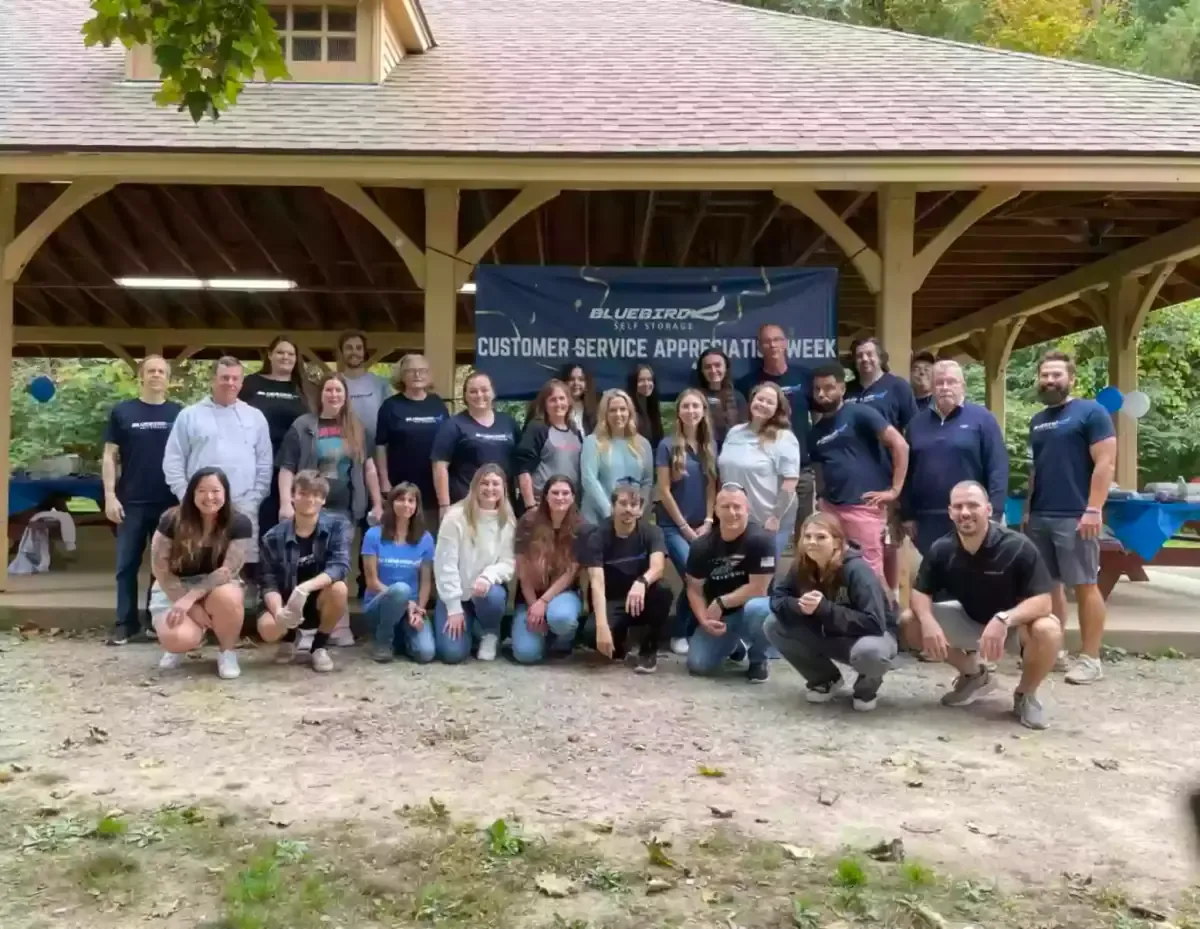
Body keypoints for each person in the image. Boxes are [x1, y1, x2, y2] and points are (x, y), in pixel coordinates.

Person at [902, 481, 1063, 730]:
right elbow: (920, 593)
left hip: (1012, 626)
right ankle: (975, 675)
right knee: (909, 621)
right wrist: (928, 621)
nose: (965, 512)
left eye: (972, 505)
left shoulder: (1017, 546)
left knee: (1048, 630)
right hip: (969, 618)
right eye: (958, 506)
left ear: (988, 509)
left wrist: (1004, 619)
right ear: (950, 512)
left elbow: (1044, 601)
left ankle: (1025, 695)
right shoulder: (942, 548)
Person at [1023, 350, 1116, 685]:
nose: (1049, 381)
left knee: (1086, 584)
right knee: (1048, 588)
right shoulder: (1037, 420)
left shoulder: (1092, 412)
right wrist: (1028, 510)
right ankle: (1054, 651)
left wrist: (1093, 508)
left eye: (1056, 375)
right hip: (1041, 515)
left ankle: (1091, 659)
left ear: (1071, 379)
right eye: (1045, 375)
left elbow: (1105, 463)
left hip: (1077, 515)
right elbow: (1036, 469)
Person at [766, 512, 897, 711]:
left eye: (821, 537)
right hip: (830, 631)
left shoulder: (856, 569)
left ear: (837, 542)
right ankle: (825, 679)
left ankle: (866, 688)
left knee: (871, 653)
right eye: (807, 537)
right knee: (773, 624)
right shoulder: (802, 566)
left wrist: (825, 609)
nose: (812, 542)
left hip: (870, 636)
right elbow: (777, 598)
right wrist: (799, 605)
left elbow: (875, 623)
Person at [103, 354, 183, 646]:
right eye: (151, 370)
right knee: (126, 565)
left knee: (162, 564)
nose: (156, 375)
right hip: (131, 502)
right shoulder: (123, 412)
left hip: (169, 503)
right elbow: (109, 456)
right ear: (142, 376)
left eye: (161, 371)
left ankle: (154, 620)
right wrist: (110, 495)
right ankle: (125, 624)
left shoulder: (179, 414)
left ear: (168, 378)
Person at [163, 356, 273, 566]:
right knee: (200, 563)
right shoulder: (190, 416)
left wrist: (255, 498)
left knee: (243, 567)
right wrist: (186, 497)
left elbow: (264, 462)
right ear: (213, 380)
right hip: (201, 507)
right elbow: (173, 459)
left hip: (243, 506)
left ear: (241, 383)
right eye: (224, 377)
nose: (230, 383)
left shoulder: (255, 417)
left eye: (235, 378)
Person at [807, 361, 909, 582]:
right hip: (832, 510)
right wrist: (821, 501)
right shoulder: (814, 433)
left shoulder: (860, 413)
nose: (822, 394)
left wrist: (895, 490)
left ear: (842, 389)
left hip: (864, 507)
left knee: (870, 573)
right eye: (817, 389)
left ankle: (884, 615)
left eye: (828, 387)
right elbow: (819, 470)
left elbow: (900, 445)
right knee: (833, 568)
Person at [149, 467, 251, 680]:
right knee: (177, 638)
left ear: (225, 493)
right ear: (192, 493)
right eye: (201, 491)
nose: (209, 497)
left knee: (229, 596)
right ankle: (176, 648)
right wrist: (190, 606)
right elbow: (160, 568)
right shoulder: (171, 519)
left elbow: (228, 570)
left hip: (216, 586)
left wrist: (192, 598)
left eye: (215, 490)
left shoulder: (239, 522)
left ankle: (227, 652)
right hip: (175, 585)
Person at [901, 360, 1008, 556]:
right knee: (938, 579)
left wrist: (995, 513)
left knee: (977, 576)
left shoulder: (982, 419)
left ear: (963, 386)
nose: (945, 387)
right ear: (932, 387)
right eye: (939, 383)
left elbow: (998, 467)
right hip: (927, 521)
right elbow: (907, 472)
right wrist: (906, 514)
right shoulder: (916, 424)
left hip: (972, 516)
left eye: (951, 382)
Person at [255, 469, 353, 674]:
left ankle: (319, 646)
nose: (310, 499)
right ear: (292, 496)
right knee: (267, 629)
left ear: (324, 500)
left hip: (317, 600)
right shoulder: (272, 537)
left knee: (340, 589)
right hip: (285, 601)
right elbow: (268, 581)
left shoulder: (339, 525)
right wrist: (279, 612)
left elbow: (339, 566)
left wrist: (305, 588)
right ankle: (289, 638)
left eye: (316, 495)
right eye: (303, 493)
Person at [847, 336, 919, 600]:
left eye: (869, 354)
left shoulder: (897, 387)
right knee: (861, 546)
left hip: (889, 478)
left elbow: (913, 430)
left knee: (889, 543)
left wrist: (904, 483)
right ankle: (866, 598)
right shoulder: (848, 392)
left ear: (880, 357)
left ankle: (893, 601)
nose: (865, 359)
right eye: (859, 355)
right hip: (856, 480)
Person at [575, 481, 671, 673]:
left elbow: (658, 567)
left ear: (641, 509)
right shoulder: (598, 535)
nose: (628, 509)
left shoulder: (651, 531)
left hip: (643, 597)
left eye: (634, 505)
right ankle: (620, 644)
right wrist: (602, 626)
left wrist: (642, 582)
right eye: (623, 504)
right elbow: (597, 582)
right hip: (612, 599)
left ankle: (648, 649)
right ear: (613, 506)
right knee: (591, 634)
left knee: (663, 590)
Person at [685, 483, 776, 682]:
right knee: (697, 664)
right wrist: (704, 620)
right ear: (716, 510)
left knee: (760, 609)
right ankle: (736, 646)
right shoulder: (702, 545)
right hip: (723, 618)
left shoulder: (762, 540)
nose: (731, 512)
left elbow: (759, 588)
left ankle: (759, 658)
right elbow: (694, 589)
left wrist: (721, 602)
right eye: (725, 507)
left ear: (747, 510)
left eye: (737, 507)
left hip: (752, 610)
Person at [433, 463, 515, 663]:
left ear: (503, 488)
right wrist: (453, 607)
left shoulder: (508, 521)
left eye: (496, 484)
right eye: (484, 483)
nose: (490, 489)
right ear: (475, 486)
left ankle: (489, 632)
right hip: (456, 593)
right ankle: (469, 629)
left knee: (494, 596)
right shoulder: (455, 517)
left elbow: (508, 562)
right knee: (453, 654)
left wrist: (489, 576)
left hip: (484, 593)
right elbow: (445, 564)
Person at [278, 372, 384, 528]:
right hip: (310, 507)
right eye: (328, 390)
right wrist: (286, 503)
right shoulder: (302, 426)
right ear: (320, 394)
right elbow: (287, 468)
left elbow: (369, 469)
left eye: (338, 390)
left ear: (345, 396)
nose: (333, 395)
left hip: (346, 510)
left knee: (342, 552)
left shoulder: (357, 428)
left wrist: (378, 504)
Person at [656, 389, 717, 656]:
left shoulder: (710, 445)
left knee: (703, 577)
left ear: (703, 411)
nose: (691, 411)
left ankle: (692, 629)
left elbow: (712, 487)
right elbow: (663, 490)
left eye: (696, 406)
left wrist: (708, 519)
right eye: (686, 406)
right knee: (692, 576)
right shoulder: (666, 445)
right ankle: (680, 632)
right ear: (678, 411)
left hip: (702, 525)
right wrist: (683, 527)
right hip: (673, 527)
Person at [735, 323, 814, 526]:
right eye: (766, 341)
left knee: (804, 531)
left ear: (785, 343)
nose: (772, 345)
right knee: (766, 528)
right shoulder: (746, 384)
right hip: (764, 469)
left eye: (777, 339)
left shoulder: (805, 377)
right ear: (759, 347)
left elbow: (818, 416)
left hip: (800, 468)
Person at [239, 335, 312, 537]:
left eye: (290, 353)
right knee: (257, 519)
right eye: (280, 352)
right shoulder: (251, 383)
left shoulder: (306, 388)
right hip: (255, 463)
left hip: (293, 464)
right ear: (270, 355)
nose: (285, 357)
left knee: (290, 520)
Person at [717, 382, 800, 557]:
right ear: (751, 400)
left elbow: (790, 481)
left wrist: (775, 517)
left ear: (777, 409)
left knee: (764, 575)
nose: (763, 404)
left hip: (769, 520)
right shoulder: (734, 432)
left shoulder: (783, 438)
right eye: (760, 399)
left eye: (770, 402)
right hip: (738, 518)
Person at [511, 475, 585, 664]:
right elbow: (523, 571)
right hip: (530, 596)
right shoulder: (528, 522)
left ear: (573, 497)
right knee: (526, 655)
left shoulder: (581, 526)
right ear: (545, 496)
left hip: (563, 593)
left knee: (561, 618)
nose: (560, 497)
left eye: (565, 493)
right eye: (555, 493)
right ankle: (540, 638)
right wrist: (534, 604)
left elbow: (570, 573)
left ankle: (563, 638)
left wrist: (544, 602)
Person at [362, 483, 435, 663]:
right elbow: (371, 582)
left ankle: (401, 638)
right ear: (391, 502)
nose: (406, 505)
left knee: (425, 654)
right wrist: (405, 601)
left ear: (417, 506)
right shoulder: (373, 535)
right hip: (379, 604)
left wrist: (419, 609)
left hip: (411, 608)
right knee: (401, 590)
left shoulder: (425, 538)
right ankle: (383, 641)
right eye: (401, 499)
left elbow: (426, 582)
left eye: (411, 500)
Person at [374, 354, 447, 528]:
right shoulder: (390, 406)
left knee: (430, 537)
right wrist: (384, 480)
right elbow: (380, 445)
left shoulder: (437, 403)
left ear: (428, 375)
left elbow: (447, 442)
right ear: (402, 376)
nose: (417, 375)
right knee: (401, 533)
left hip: (432, 486)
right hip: (401, 485)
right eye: (411, 371)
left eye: (422, 371)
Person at [432, 371, 520, 513]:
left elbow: (520, 462)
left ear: (493, 393)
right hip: (465, 504)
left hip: (503, 504)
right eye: (473, 391)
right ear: (465, 396)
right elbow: (439, 466)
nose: (479, 395)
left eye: (484, 390)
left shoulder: (508, 422)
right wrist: (444, 505)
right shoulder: (453, 425)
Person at [580, 389, 654, 525]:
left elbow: (647, 481)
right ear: (605, 414)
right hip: (597, 521)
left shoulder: (643, 444)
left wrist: (639, 510)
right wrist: (611, 512)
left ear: (629, 412)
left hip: (631, 520)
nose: (618, 414)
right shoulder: (592, 442)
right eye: (612, 410)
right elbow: (589, 480)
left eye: (622, 409)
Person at [516, 379, 583, 510]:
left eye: (562, 398)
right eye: (553, 400)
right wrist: (530, 506)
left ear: (569, 402)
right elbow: (523, 470)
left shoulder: (575, 431)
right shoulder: (537, 428)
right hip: (541, 506)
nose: (558, 403)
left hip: (568, 506)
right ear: (545, 404)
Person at [337, 330, 390, 455]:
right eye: (349, 348)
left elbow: (389, 421)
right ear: (341, 352)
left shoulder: (380, 384)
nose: (354, 352)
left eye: (359, 348)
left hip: (377, 454)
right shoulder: (334, 384)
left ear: (364, 352)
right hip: (342, 455)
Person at [695, 347, 748, 447]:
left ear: (726, 367)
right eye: (708, 367)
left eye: (718, 365)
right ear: (701, 371)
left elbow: (745, 431)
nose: (713, 370)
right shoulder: (695, 396)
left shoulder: (738, 397)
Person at [628, 363, 665, 449]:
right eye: (641, 380)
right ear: (634, 382)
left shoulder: (653, 405)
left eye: (649, 380)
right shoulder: (627, 407)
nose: (646, 384)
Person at [561, 363, 598, 435]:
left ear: (586, 384)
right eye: (571, 379)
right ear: (564, 382)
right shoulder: (557, 407)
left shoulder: (593, 409)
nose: (576, 383)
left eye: (581, 379)